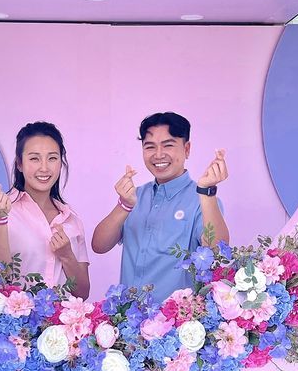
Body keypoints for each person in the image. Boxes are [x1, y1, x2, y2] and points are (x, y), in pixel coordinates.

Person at [91, 111, 229, 300]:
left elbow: (217, 252)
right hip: (127, 319)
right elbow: (99, 245)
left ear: (187, 149)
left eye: (168, 145)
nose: (158, 154)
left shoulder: (202, 200)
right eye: (150, 147)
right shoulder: (135, 196)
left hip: (175, 323)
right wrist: (123, 205)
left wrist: (206, 192)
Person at [0, 121, 90, 299]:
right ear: (20, 164)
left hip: (61, 325)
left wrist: (67, 255)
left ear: (61, 163)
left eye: (52, 158)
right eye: (34, 158)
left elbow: (82, 293)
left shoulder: (71, 219)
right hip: (14, 324)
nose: (44, 168)